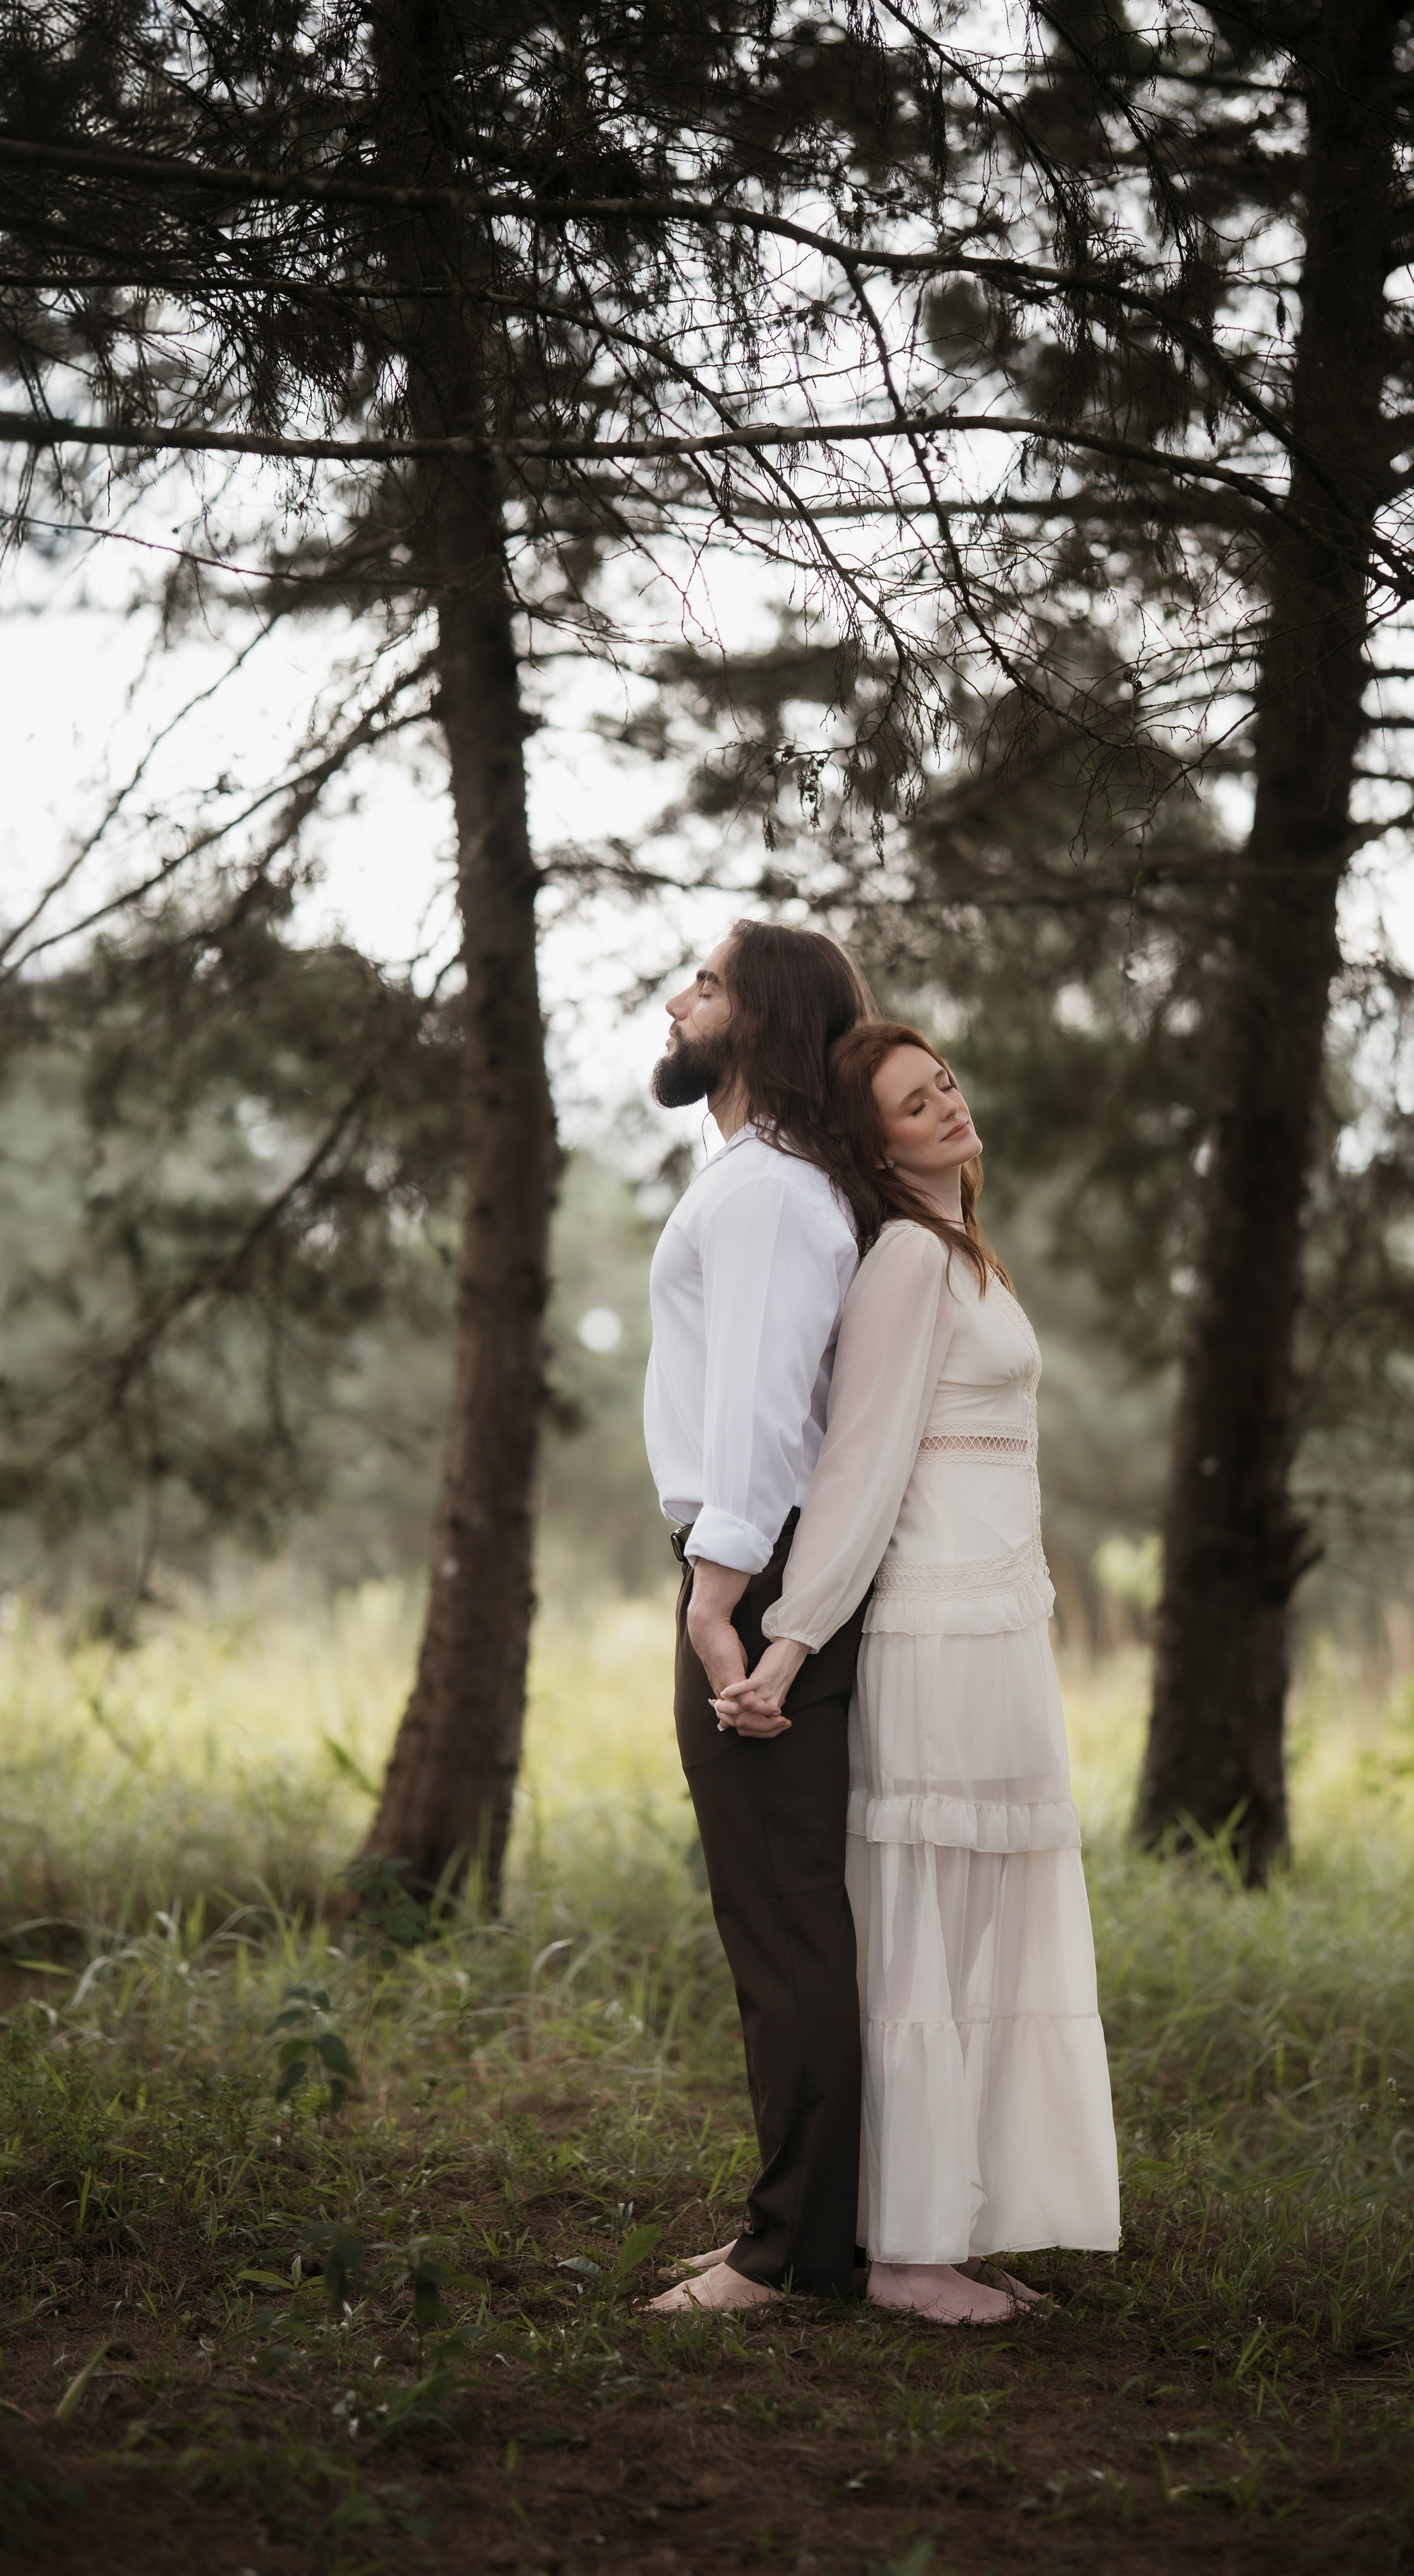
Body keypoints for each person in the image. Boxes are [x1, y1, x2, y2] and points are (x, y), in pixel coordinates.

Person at [718, 1022, 1119, 2325]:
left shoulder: (964, 1256)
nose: (945, 1103)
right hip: (935, 1635)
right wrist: (788, 1640)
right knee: (931, 1940)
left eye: (944, 1078)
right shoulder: (901, 1260)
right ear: (874, 1143)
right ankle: (903, 2256)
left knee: (992, 1937)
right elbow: (860, 1466)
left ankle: (952, 2222)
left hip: (1002, 1627)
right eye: (910, 1102)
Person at [641, 920, 879, 2316]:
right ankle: (801, 2236)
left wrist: (720, 1596)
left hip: (761, 1571)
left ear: (763, 1021)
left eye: (708, 984)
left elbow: (758, 1407)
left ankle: (788, 2260)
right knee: (783, 1915)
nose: (676, 1000)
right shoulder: (756, 1180)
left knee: (781, 1921)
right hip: (757, 1559)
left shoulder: (773, 1191)